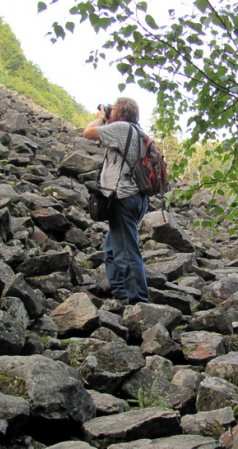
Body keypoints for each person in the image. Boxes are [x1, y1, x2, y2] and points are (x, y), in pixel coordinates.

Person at [83, 98, 150, 304]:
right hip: (136, 198)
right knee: (112, 250)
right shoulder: (138, 133)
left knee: (126, 253)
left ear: (120, 113)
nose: (109, 114)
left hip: (123, 197)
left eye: (112, 111)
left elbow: (88, 133)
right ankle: (120, 293)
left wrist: (101, 117)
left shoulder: (122, 127)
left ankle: (138, 302)